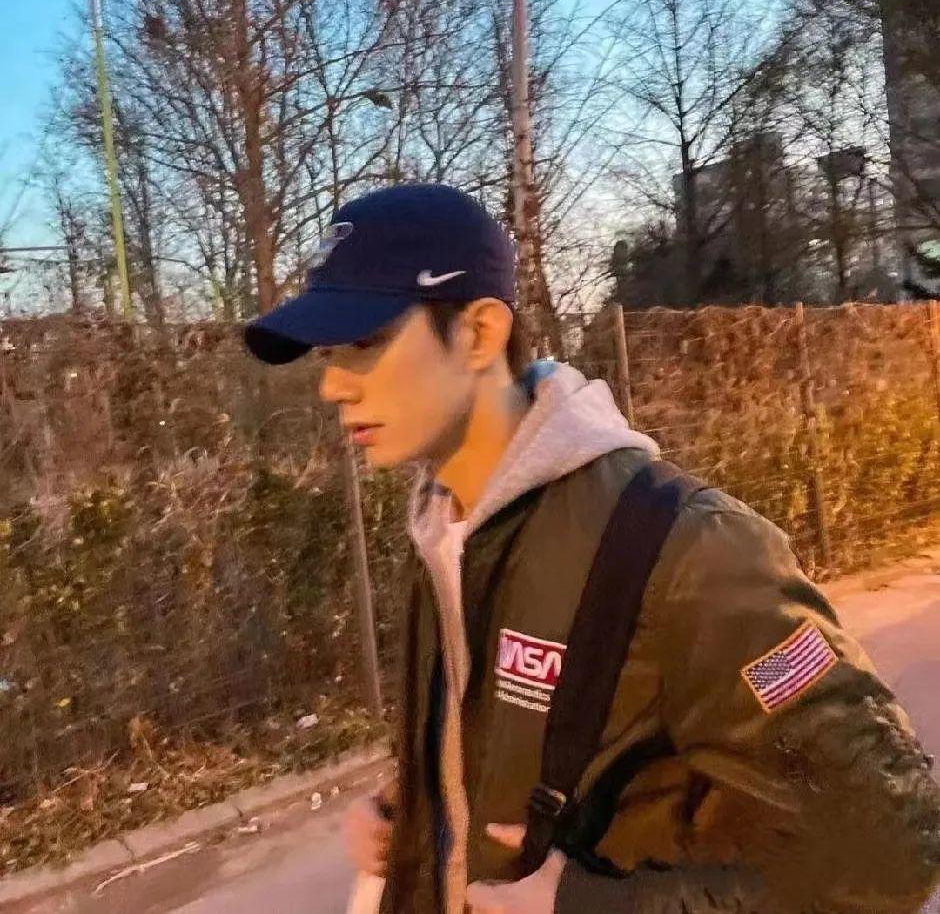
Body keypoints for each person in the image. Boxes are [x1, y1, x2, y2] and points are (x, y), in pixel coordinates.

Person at [245, 183, 940, 913]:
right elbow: (508, 749)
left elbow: (889, 852)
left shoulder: (690, 551)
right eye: (328, 353)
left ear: (479, 333)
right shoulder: (446, 534)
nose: (332, 385)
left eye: (364, 343)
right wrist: (411, 813)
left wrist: (585, 906)